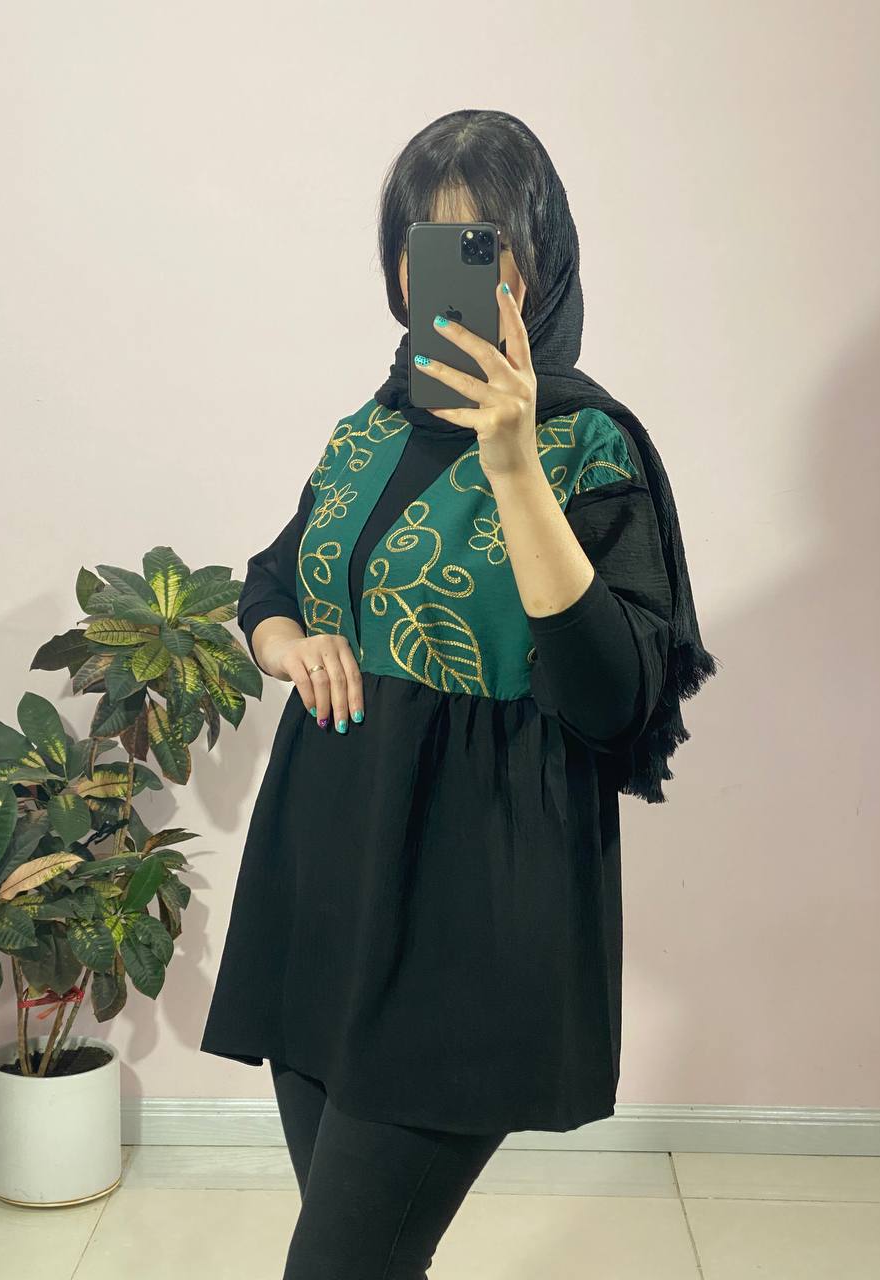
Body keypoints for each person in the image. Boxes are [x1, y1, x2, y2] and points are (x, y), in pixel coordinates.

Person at [199, 108, 719, 1279]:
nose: (438, 274)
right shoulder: (367, 430)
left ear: (538, 265)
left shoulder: (588, 449)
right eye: (422, 245)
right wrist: (285, 641)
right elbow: (275, 576)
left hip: (468, 917)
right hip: (321, 892)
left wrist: (515, 463)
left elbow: (613, 698)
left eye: (482, 244)